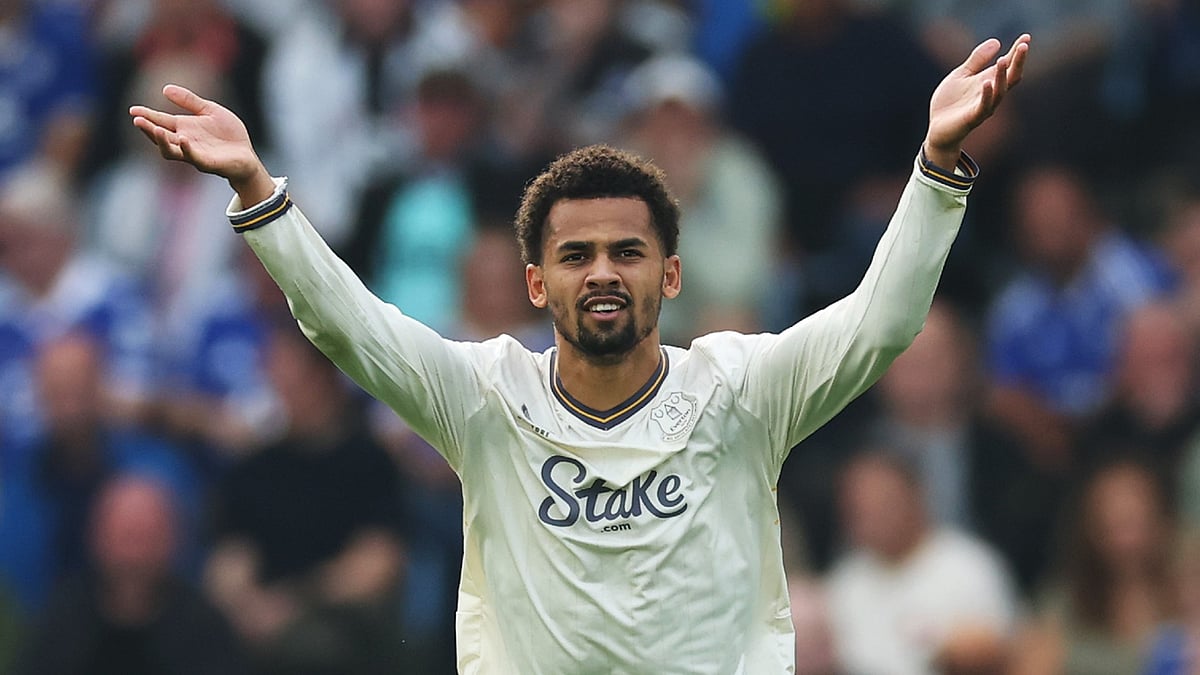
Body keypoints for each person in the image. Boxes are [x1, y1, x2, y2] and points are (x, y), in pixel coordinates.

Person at [128, 33, 1030, 674]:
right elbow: (347, 326)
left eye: (628, 252)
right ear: (535, 284)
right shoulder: (485, 395)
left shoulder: (743, 387)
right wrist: (257, 189)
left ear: (670, 274)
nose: (603, 272)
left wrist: (936, 166)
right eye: (576, 254)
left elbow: (880, 324)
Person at [825, 451, 1017, 675]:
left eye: (885, 502)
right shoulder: (841, 584)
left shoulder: (971, 567)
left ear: (917, 495)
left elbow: (1011, 652)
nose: (873, 514)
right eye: (860, 507)